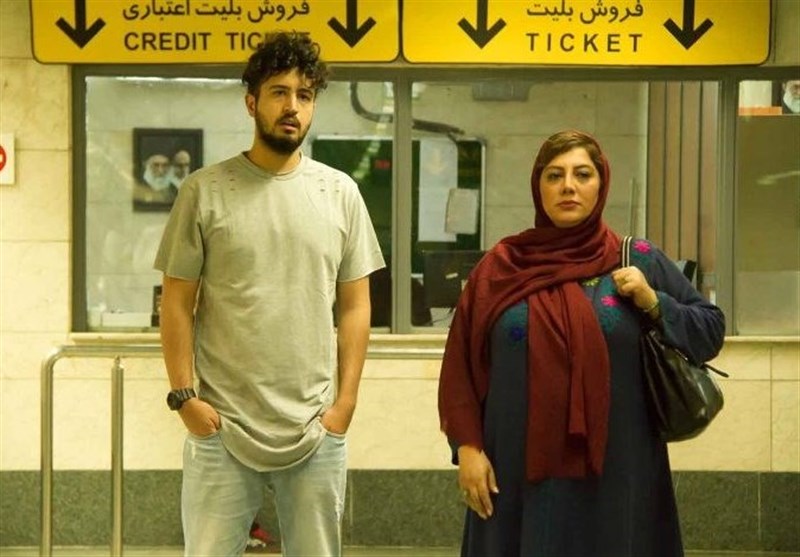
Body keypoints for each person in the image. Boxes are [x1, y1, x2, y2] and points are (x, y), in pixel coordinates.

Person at [438, 130, 725, 557]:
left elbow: (710, 331)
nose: (568, 186)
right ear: (538, 186)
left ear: (601, 183)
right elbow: (460, 367)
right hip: (514, 473)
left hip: (618, 471)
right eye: (554, 175)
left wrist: (653, 301)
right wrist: (468, 448)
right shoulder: (499, 268)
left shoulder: (636, 258)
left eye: (582, 174)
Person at [154, 31, 385, 556]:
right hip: (221, 426)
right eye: (279, 92)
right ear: (251, 102)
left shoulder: (340, 193)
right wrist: (185, 397)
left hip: (315, 428)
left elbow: (355, 305)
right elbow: (176, 302)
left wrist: (345, 403)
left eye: (305, 95)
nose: (292, 107)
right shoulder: (204, 191)